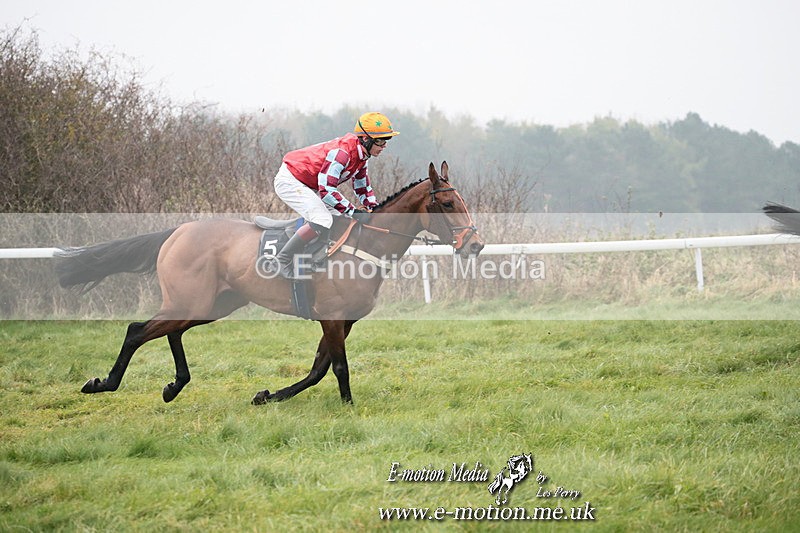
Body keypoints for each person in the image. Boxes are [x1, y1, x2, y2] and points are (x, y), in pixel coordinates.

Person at [271, 111, 399, 279]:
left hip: (309, 184)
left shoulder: (362, 156)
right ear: (366, 139)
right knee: (323, 220)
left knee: (341, 219)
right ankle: (282, 259)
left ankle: (315, 256)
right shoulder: (343, 153)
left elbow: (363, 188)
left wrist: (375, 211)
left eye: (387, 140)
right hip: (291, 180)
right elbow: (326, 191)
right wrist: (354, 211)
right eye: (381, 141)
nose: (384, 146)